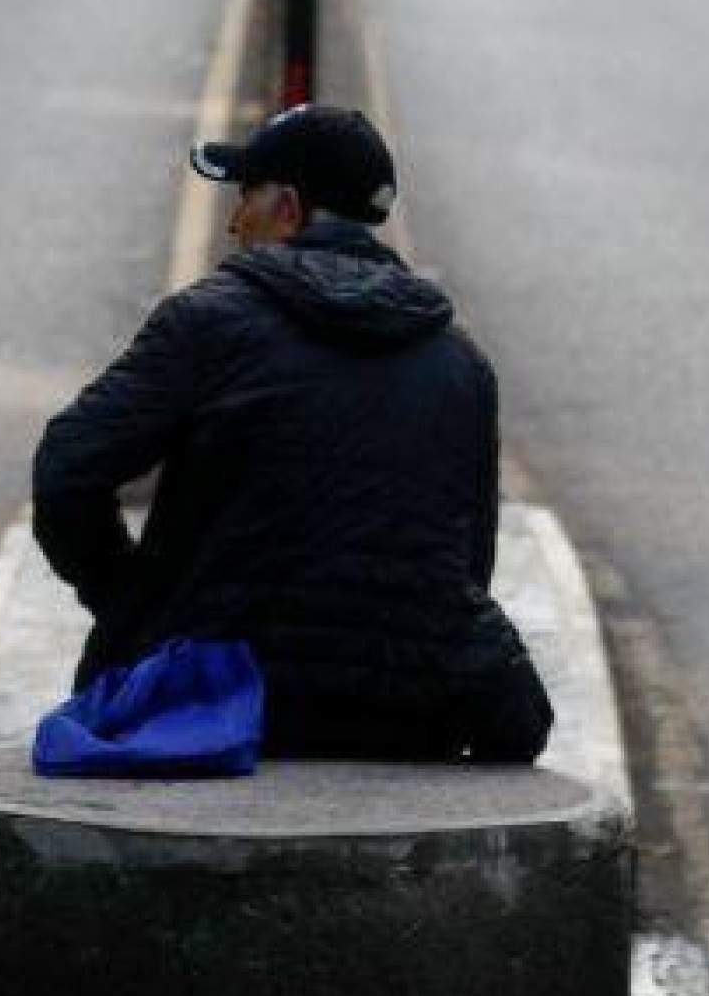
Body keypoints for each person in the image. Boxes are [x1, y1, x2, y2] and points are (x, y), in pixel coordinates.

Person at [32, 106, 554, 764]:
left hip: (221, 699)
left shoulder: (208, 323)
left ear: (286, 208)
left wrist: (132, 604)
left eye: (243, 196)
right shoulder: (459, 364)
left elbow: (66, 471)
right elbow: (466, 556)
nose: (230, 222)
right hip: (404, 715)